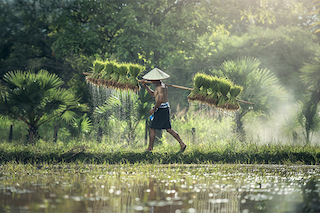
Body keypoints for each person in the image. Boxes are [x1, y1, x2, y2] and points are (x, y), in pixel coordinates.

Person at [140, 68, 187, 152]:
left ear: (155, 79)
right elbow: (153, 95)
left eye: (152, 79)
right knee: (168, 129)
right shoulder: (161, 86)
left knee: (152, 128)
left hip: (161, 109)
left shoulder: (161, 87)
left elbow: (160, 100)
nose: (150, 80)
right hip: (164, 108)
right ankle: (182, 144)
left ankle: (150, 148)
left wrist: (154, 109)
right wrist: (145, 86)